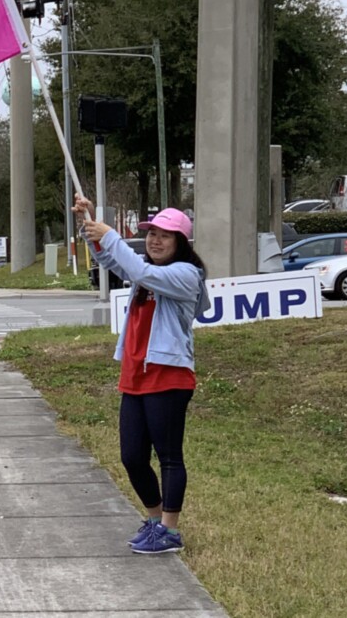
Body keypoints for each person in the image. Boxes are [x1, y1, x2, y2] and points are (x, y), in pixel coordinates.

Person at [73, 195, 210, 555]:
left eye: (165, 235)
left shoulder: (185, 275)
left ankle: (170, 530)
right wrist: (91, 225)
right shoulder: (147, 272)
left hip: (169, 376)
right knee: (132, 457)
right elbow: (110, 260)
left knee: (168, 456)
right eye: (151, 234)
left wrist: (111, 234)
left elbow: (140, 271)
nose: (155, 240)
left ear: (180, 242)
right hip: (134, 374)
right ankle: (153, 521)